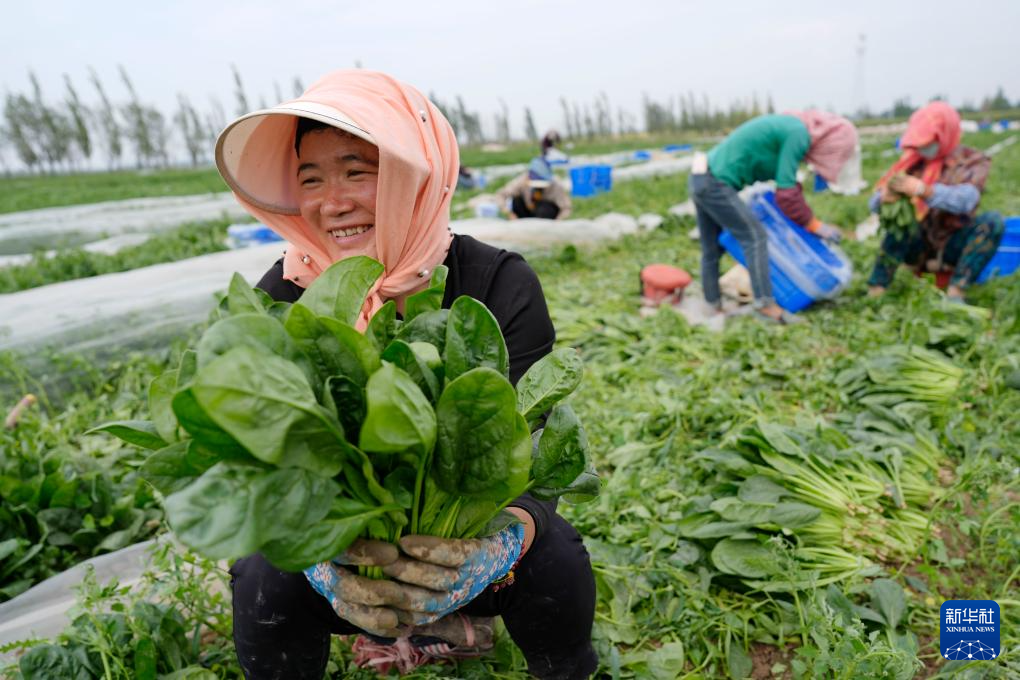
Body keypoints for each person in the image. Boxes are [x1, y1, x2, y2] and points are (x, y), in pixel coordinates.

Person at [214, 69, 597, 680]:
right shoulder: (283, 295)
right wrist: (318, 553)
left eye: (355, 172)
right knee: (262, 570)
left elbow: (534, 449)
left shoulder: (497, 281)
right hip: (341, 560)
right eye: (310, 179)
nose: (331, 201)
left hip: (465, 555)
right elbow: (254, 460)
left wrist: (500, 542)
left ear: (413, 176)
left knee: (554, 556)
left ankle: (533, 654)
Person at [689, 111, 859, 323]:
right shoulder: (799, 134)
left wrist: (798, 202)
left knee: (711, 249)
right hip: (715, 183)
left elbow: (783, 181)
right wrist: (814, 225)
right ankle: (765, 305)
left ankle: (712, 306)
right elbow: (786, 194)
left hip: (699, 177)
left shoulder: (791, 128)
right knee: (755, 237)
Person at [866, 101, 1004, 301]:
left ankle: (957, 291)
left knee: (992, 222)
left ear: (945, 135)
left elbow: (966, 200)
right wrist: (883, 198)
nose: (923, 148)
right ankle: (877, 288)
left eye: (929, 141)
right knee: (900, 225)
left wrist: (924, 190)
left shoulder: (972, 160)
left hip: (952, 243)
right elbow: (873, 204)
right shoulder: (913, 162)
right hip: (920, 244)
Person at [497, 156, 572, 220]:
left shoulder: (555, 185)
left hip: (545, 215)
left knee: (544, 208)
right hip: (527, 212)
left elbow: (566, 208)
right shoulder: (523, 180)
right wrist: (508, 213)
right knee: (516, 201)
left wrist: (559, 220)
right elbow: (501, 195)